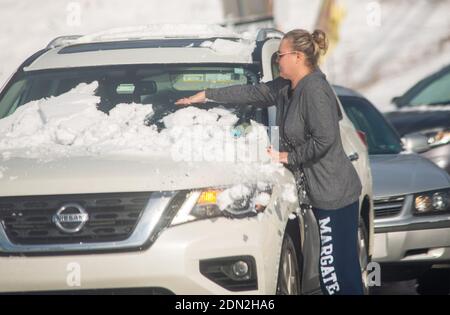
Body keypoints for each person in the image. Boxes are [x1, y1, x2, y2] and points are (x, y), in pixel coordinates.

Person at [175, 29, 364, 295]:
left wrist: (289, 157)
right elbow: (252, 92)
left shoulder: (315, 90)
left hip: (333, 193)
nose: (278, 61)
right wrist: (206, 95)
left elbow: (326, 139)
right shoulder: (287, 88)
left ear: (298, 57)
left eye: (280, 55)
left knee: (333, 272)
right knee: (341, 271)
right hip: (323, 192)